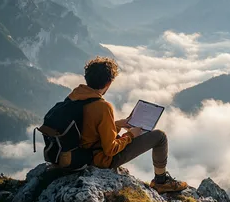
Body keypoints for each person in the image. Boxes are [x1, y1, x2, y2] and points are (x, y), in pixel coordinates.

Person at [63, 56, 188, 194]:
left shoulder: (74, 96)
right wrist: (130, 135)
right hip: (96, 159)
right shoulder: (102, 107)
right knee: (159, 137)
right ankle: (161, 182)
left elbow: (87, 128)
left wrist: (116, 124)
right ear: (109, 83)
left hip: (72, 154)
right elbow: (110, 150)